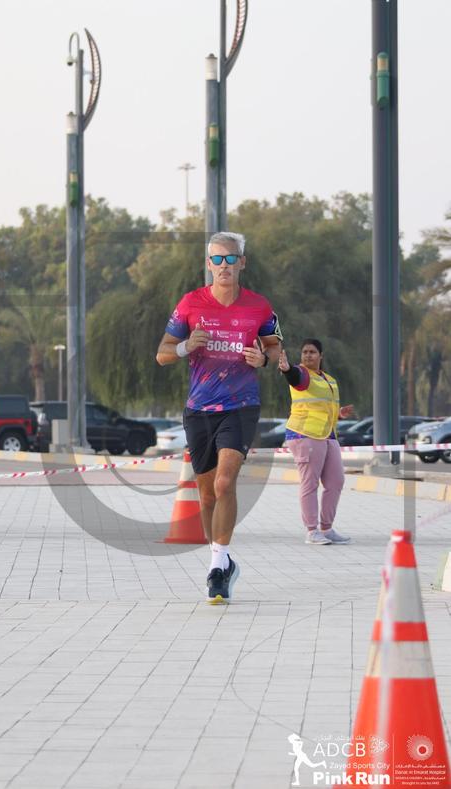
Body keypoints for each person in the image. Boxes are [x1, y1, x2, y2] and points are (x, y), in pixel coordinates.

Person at [156, 231, 283, 603]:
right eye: (217, 259)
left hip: (241, 406)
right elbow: (162, 354)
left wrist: (263, 358)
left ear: (242, 262)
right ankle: (224, 561)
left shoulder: (259, 306)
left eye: (230, 259)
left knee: (226, 483)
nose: (224, 266)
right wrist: (185, 346)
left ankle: (216, 566)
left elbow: (276, 348)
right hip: (199, 409)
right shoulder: (190, 303)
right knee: (207, 495)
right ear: (209, 264)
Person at [278, 338, 354, 545]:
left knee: (336, 481)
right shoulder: (301, 373)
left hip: (328, 435)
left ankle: (326, 528)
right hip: (304, 434)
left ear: (321, 356)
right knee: (310, 483)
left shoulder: (329, 380)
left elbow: (323, 408)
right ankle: (312, 531)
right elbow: (295, 378)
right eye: (305, 352)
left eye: (312, 352)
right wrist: (287, 369)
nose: (308, 355)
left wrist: (339, 414)